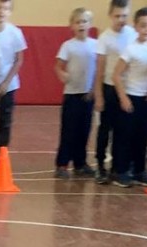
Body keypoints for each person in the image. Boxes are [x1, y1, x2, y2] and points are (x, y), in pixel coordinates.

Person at [111, 7, 147, 188]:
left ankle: (139, 171)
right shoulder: (130, 49)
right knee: (125, 136)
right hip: (131, 97)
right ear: (136, 27)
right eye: (143, 25)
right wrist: (123, 98)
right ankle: (121, 172)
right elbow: (116, 75)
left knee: (142, 136)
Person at [53, 6, 97, 177]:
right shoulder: (68, 46)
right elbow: (58, 66)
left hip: (88, 94)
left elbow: (99, 69)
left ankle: (80, 163)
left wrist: (94, 89)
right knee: (69, 130)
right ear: (71, 25)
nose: (81, 25)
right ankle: (62, 164)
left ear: (90, 24)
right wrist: (62, 74)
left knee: (84, 130)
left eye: (84, 21)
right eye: (78, 22)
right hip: (72, 94)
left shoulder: (95, 45)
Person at [91, 0, 130, 182]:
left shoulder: (133, 34)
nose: (121, 19)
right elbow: (99, 70)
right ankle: (100, 165)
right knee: (105, 130)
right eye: (117, 16)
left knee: (122, 130)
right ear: (110, 16)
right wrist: (99, 96)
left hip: (126, 89)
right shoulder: (104, 38)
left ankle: (117, 167)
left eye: (124, 16)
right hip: (108, 89)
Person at [0, 0, 25, 157]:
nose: (2, 11)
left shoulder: (15, 32)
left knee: (5, 120)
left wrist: (6, 83)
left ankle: (1, 153)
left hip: (9, 84)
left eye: (5, 8)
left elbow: (19, 60)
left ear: (10, 11)